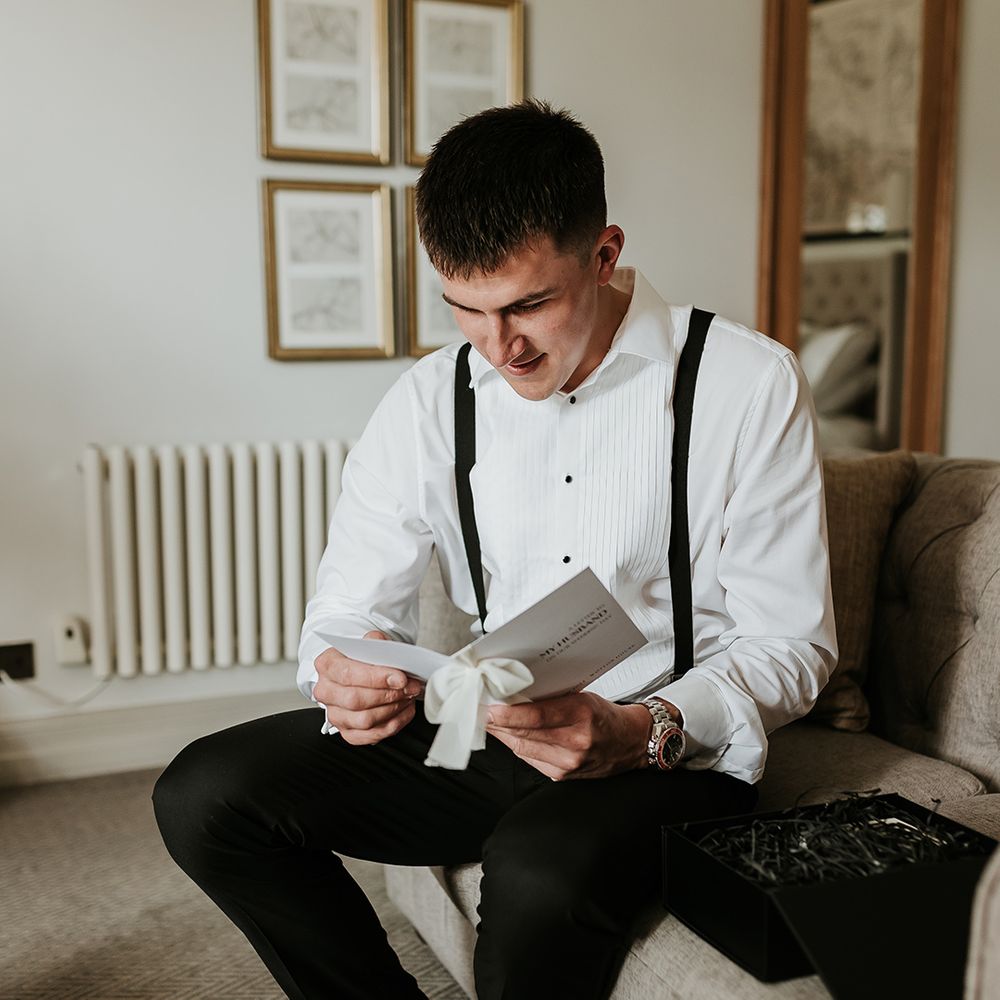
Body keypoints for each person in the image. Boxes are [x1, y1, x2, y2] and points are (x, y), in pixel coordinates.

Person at [154, 100, 837, 1000]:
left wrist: (642, 730)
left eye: (529, 305)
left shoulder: (747, 383)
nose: (499, 347)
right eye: (465, 310)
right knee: (204, 795)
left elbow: (795, 644)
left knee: (538, 867)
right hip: (489, 730)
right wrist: (339, 670)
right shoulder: (429, 398)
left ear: (604, 254)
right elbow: (349, 607)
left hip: (665, 753)